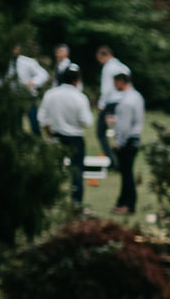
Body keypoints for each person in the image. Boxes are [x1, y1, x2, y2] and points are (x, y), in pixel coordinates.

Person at [38, 68, 93, 208]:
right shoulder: (80, 97)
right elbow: (87, 121)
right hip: (75, 137)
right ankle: (76, 201)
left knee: (53, 169)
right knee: (77, 170)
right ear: (76, 81)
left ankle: (49, 200)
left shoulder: (50, 94)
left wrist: (49, 130)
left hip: (56, 135)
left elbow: (41, 117)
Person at [109, 70, 146, 214]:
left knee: (126, 174)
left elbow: (124, 126)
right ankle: (123, 201)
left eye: (115, 83)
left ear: (120, 82)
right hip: (135, 138)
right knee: (127, 173)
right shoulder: (137, 96)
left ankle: (128, 204)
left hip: (127, 141)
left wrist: (119, 142)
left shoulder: (126, 102)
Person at [90, 45, 129, 150]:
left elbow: (106, 88)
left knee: (100, 132)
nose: (100, 62)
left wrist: (101, 104)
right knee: (119, 131)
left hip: (111, 103)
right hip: (124, 102)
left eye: (99, 59)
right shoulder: (124, 67)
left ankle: (112, 157)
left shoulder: (108, 68)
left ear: (104, 56)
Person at [11, 44, 49, 132]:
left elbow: (43, 74)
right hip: (14, 98)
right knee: (16, 124)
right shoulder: (6, 63)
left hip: (28, 98)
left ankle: (36, 140)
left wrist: (33, 82)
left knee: (34, 122)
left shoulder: (27, 62)